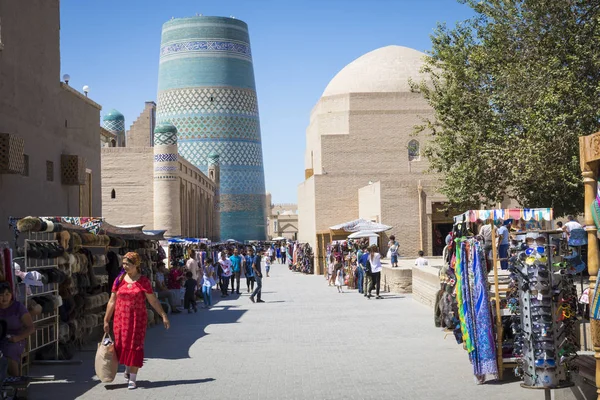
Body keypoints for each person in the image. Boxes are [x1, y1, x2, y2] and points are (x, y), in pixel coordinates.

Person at [104, 252, 170, 390]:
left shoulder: (143, 281)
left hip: (137, 320)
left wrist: (163, 314)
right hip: (120, 320)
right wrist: (106, 319)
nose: (124, 266)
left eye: (127, 264)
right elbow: (112, 301)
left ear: (136, 265)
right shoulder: (119, 279)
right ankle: (128, 368)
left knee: (135, 347)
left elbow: (152, 300)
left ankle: (132, 379)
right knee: (122, 346)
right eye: (123, 264)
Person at [0, 282, 34, 376]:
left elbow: (31, 328)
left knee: (9, 351)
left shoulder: (18, 307)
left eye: (7, 294)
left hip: (16, 339)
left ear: (11, 295)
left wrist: (17, 338)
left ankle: (16, 382)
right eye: (1, 295)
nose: (4, 298)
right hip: (1, 338)